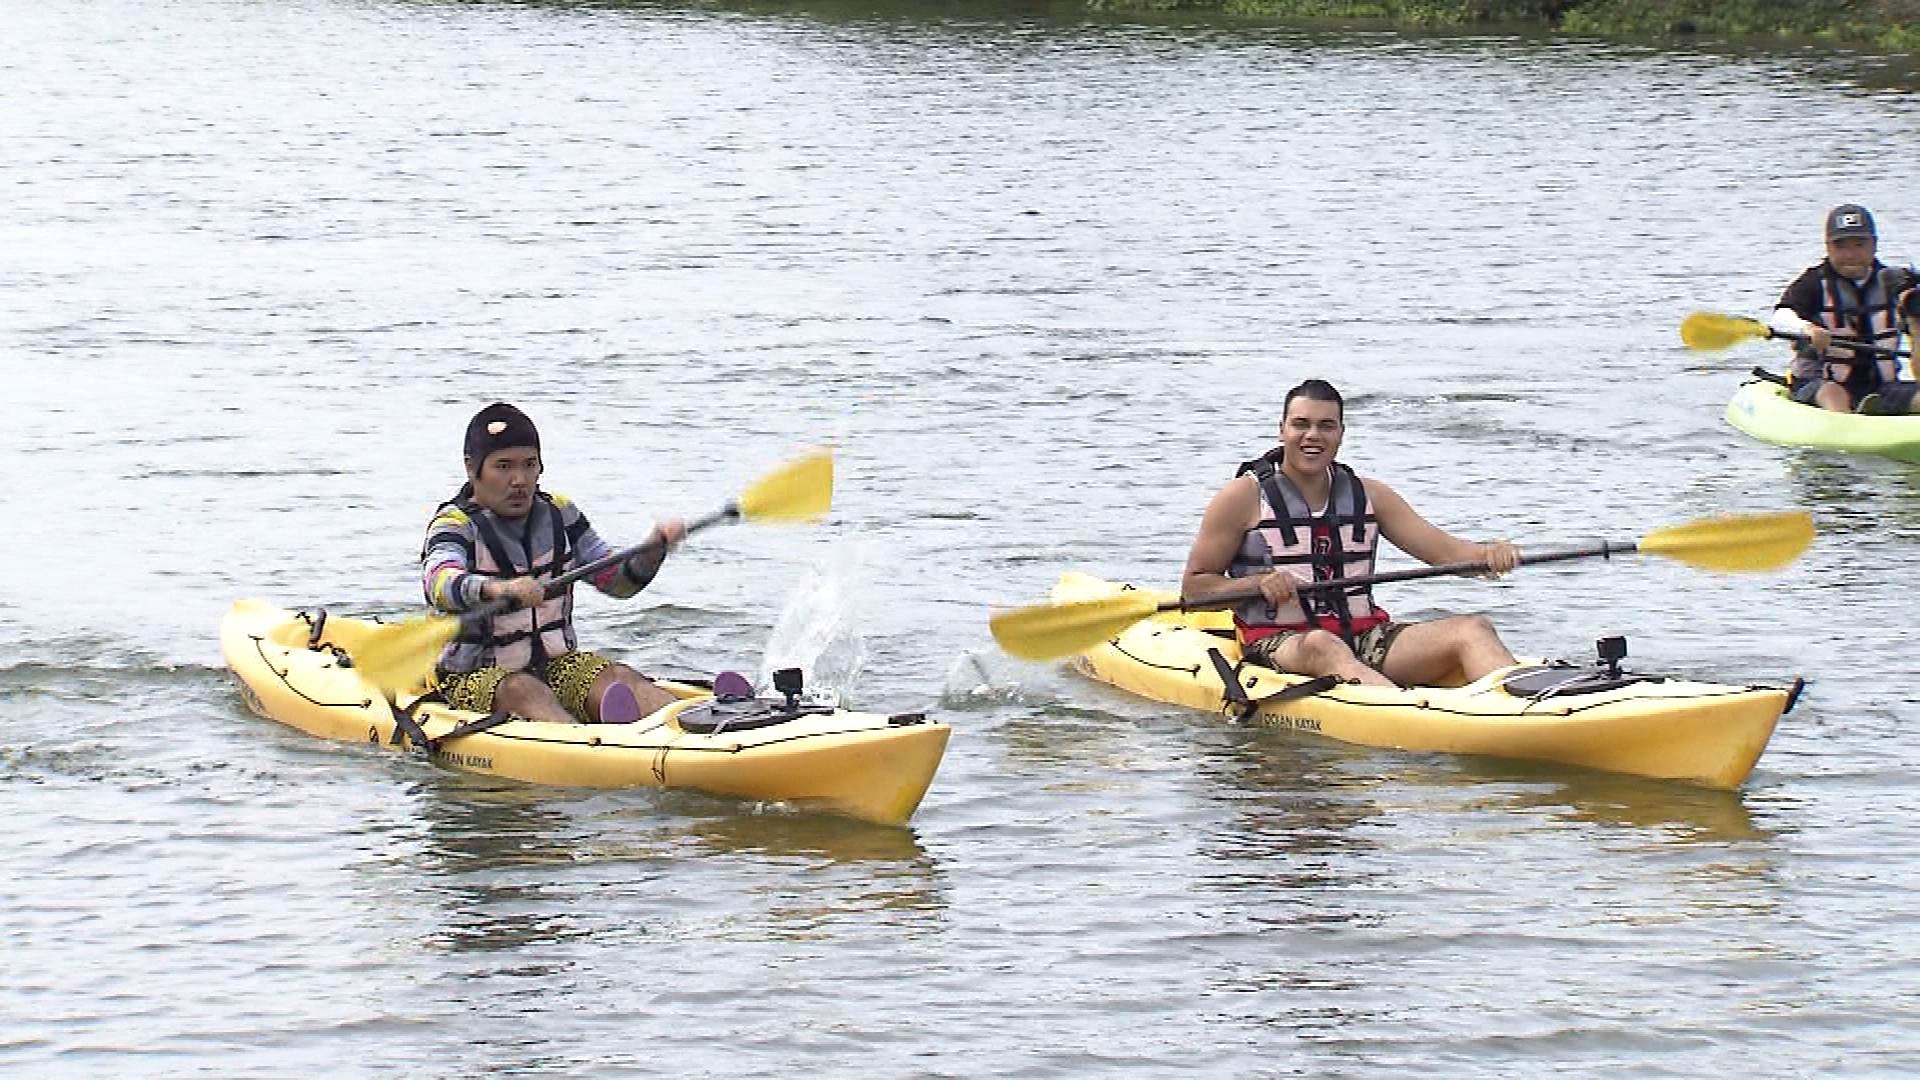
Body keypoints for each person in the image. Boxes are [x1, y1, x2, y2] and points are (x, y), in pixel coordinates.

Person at [1181, 379, 1522, 689]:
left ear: (1341, 433)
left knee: (1473, 629)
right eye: (1301, 424)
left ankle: (1528, 711)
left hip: (1363, 636)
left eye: (1326, 426)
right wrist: (1254, 585)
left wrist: (1488, 555)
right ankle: (1404, 717)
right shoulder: (1241, 498)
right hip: (1281, 642)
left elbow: (1446, 554)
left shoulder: (1370, 495)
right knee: (1322, 644)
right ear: (1281, 430)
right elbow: (1194, 590)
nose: (1313, 435)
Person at [420, 403, 688, 725]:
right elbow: (439, 583)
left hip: (555, 666)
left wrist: (652, 550)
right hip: (472, 676)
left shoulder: (560, 513)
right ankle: (590, 755)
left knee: (618, 677)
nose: (519, 480)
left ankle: (702, 728)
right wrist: (499, 589)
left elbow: (617, 582)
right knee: (523, 690)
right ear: (472, 467)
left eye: (529, 465)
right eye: (503, 466)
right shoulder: (454, 523)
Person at [1770, 203, 1920, 414]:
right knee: (1833, 393)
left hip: (1884, 387)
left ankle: (1878, 411)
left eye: (1859, 245)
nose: (1850, 255)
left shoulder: (1896, 283)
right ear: (1828, 247)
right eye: (1841, 246)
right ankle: (1849, 423)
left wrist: (1915, 322)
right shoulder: (1812, 282)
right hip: (1821, 383)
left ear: (1874, 245)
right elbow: (1780, 316)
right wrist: (1808, 330)